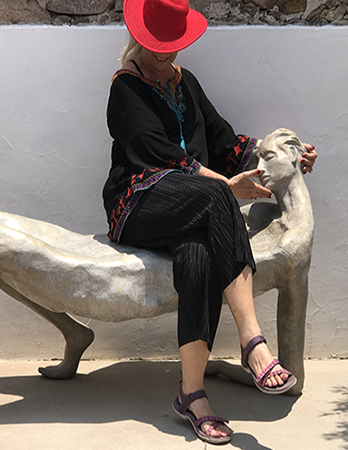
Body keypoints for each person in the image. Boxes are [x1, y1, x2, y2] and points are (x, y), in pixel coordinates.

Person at [102, 0, 317, 444]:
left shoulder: (186, 82)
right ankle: (253, 344)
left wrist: (283, 156)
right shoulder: (125, 88)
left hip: (193, 207)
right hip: (137, 203)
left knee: (197, 255)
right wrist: (224, 185)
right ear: (139, 37)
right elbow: (159, 153)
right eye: (158, 43)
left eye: (172, 43)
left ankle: (192, 395)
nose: (165, 52)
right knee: (217, 194)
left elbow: (224, 140)